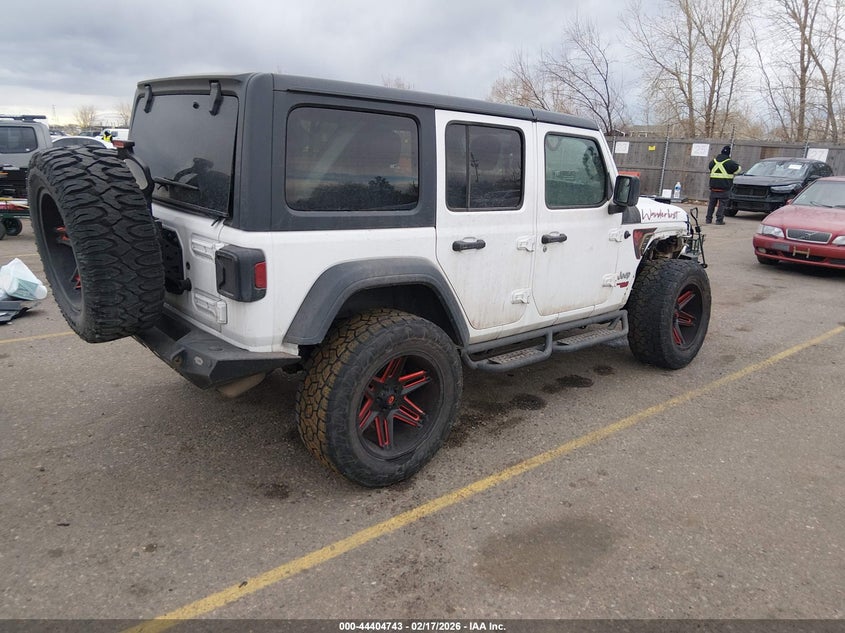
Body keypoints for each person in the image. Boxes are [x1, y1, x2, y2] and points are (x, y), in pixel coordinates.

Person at [706, 144, 741, 224]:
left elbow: (710, 168)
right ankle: (719, 220)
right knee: (722, 204)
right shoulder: (730, 163)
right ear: (729, 154)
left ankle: (708, 219)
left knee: (711, 204)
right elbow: (738, 170)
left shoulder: (713, 162)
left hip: (713, 187)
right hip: (724, 188)